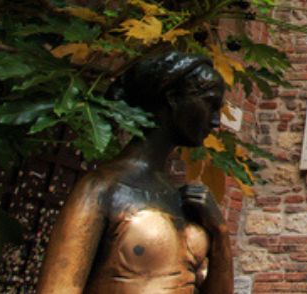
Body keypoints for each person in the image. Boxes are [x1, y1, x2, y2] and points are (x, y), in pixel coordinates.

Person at [37, 50, 233, 293]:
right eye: (209, 103)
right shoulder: (102, 188)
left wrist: (220, 233)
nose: (215, 121)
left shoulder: (184, 200)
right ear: (173, 98)